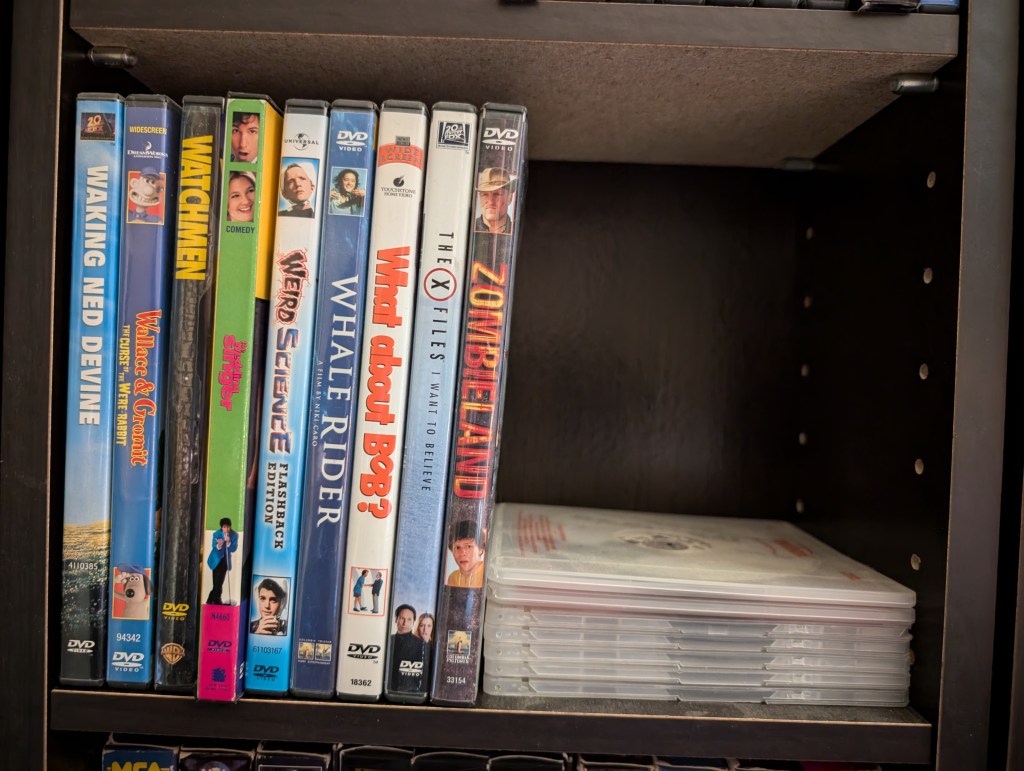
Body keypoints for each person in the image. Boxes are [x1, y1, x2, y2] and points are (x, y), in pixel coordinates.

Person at [388, 603, 425, 686]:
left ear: (413, 622)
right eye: (402, 618)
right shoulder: (387, 640)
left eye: (409, 619)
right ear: (396, 619)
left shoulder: (421, 644)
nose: (405, 623)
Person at [473, 167, 516, 234]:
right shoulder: (467, 227)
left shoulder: (516, 231)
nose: (490, 202)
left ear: (509, 198)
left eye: (497, 194)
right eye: (485, 195)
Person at [205, 517, 238, 605]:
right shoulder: (216, 534)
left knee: (220, 582)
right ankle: (216, 599)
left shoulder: (234, 535)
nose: (226, 529)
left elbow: (233, 548)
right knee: (216, 582)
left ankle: (211, 600)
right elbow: (213, 545)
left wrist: (229, 543)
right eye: (224, 527)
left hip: (225, 560)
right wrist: (219, 545)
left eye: (228, 527)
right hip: (216, 560)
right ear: (221, 527)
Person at [445, 519, 486, 588]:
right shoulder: (453, 577)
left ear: (481, 549)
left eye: (468, 546)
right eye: (458, 547)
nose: (462, 553)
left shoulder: (486, 575)